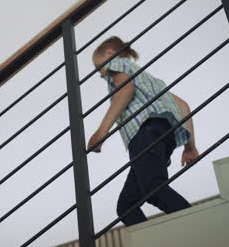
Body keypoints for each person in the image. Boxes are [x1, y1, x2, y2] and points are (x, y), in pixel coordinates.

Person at [86, 36, 200, 226]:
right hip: (163, 136)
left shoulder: (118, 65)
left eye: (98, 68)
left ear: (110, 54)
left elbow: (125, 90)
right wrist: (190, 147)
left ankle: (201, 229)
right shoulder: (149, 81)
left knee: (153, 188)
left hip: (145, 133)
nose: (99, 74)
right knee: (126, 206)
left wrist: (101, 132)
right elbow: (184, 107)